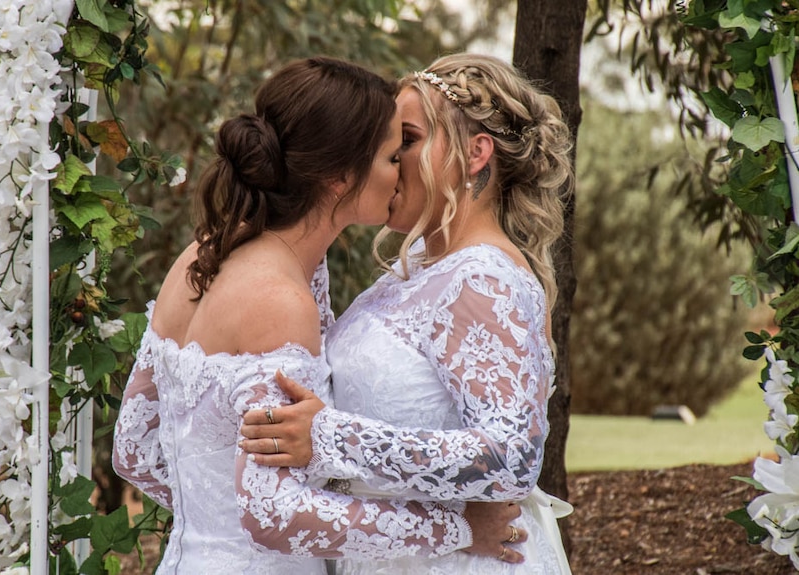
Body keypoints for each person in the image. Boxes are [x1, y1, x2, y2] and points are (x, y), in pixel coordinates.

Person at [111, 56, 524, 575]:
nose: (403, 173)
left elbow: (133, 448)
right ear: (339, 176)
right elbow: (273, 514)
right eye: (393, 157)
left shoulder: (201, 256)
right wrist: (458, 530)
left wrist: (213, 522)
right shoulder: (278, 299)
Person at [240, 53, 575, 574]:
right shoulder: (418, 267)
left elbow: (512, 458)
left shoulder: (485, 279)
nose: (391, 159)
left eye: (409, 140)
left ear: (476, 153)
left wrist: (330, 437)